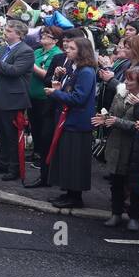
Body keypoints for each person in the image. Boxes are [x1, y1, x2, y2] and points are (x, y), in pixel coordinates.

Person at [96, 66, 139, 231]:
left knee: (135, 184)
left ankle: (134, 217)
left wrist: (116, 122)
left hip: (135, 147)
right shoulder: (120, 93)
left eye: (131, 79)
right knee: (116, 181)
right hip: (116, 144)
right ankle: (115, 214)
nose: (126, 82)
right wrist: (105, 118)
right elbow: (114, 113)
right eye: (127, 78)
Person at [46, 37, 98, 209]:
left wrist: (55, 93)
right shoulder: (74, 68)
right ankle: (69, 192)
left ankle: (75, 196)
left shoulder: (86, 72)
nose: (67, 50)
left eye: (72, 48)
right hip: (69, 120)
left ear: (82, 51)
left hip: (78, 123)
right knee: (68, 159)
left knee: (75, 160)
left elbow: (79, 98)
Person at [0, 19, 33, 181]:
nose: (5, 33)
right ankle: (2, 163)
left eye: (9, 31)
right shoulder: (4, 47)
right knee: (1, 133)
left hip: (12, 99)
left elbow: (14, 71)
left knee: (11, 135)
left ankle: (14, 168)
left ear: (19, 34)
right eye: (5, 30)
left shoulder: (25, 51)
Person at [24, 26, 66, 188]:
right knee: (34, 126)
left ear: (55, 40)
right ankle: (36, 153)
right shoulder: (37, 52)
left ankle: (43, 156)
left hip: (44, 96)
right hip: (32, 95)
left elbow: (46, 75)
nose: (42, 37)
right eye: (42, 34)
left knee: (44, 129)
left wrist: (32, 66)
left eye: (47, 35)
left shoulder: (56, 54)